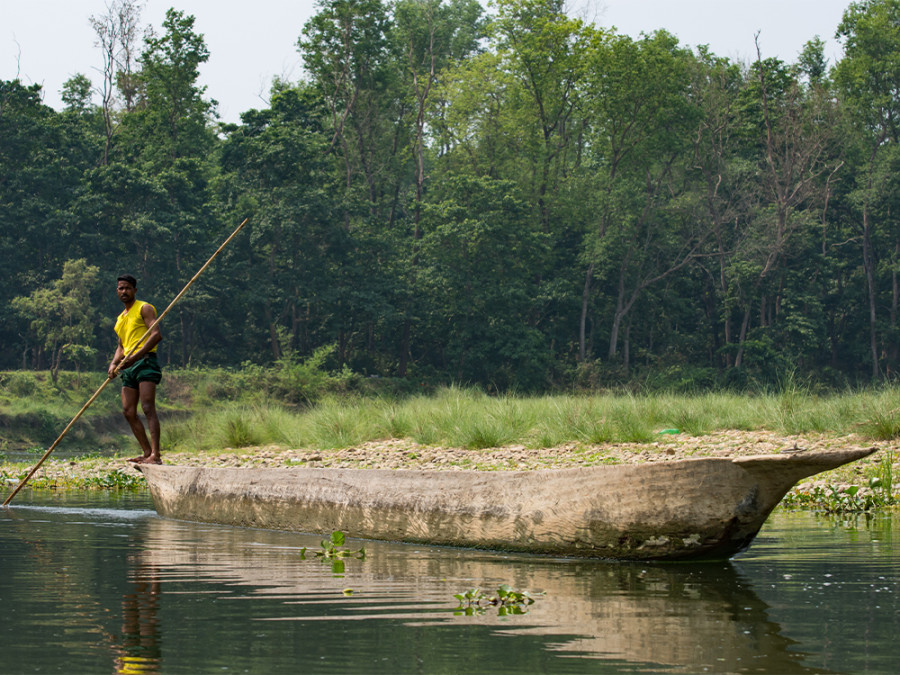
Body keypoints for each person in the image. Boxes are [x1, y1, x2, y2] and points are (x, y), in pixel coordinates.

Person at [108, 274, 163, 464]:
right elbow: (122, 347)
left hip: (145, 362)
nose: (124, 291)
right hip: (128, 367)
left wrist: (135, 357)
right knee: (128, 411)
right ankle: (147, 452)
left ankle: (156, 455)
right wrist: (114, 364)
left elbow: (156, 335)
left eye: (127, 288)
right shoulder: (120, 319)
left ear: (135, 290)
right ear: (117, 292)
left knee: (147, 407)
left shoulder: (144, 308)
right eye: (121, 288)